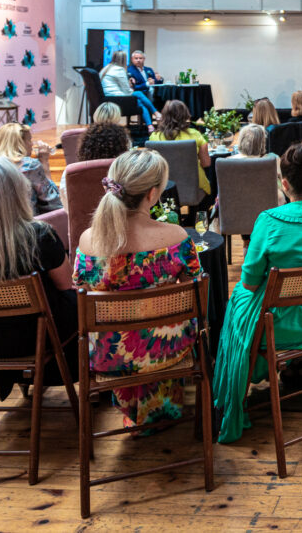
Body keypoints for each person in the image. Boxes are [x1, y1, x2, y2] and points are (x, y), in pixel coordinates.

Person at [214, 141, 302, 443]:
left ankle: (243, 379)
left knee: (237, 301)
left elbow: (251, 282)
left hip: (277, 326)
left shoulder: (269, 221)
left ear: (285, 182)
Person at [73, 149, 201, 430]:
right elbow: (196, 294)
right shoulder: (177, 238)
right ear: (153, 194)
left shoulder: (87, 242)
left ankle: (137, 409)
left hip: (109, 355)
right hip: (168, 351)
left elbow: (80, 291)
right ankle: (161, 408)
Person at [0, 155, 78, 400]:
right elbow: (67, 286)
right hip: (35, 339)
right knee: (77, 298)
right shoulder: (39, 235)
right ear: (16, 193)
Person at [0, 123, 61, 215]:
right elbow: (54, 203)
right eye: (29, 139)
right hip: (26, 226)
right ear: (20, 143)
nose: (32, 144)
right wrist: (44, 162)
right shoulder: (29, 166)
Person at [148, 100, 212, 198]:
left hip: (164, 187)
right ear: (185, 115)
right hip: (194, 185)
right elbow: (206, 163)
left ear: (164, 115)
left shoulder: (154, 137)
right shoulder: (194, 134)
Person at [59, 121, 132, 205]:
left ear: (85, 148)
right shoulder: (130, 173)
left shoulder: (72, 173)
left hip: (83, 218)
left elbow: (68, 208)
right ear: (123, 148)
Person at [100, 50, 157, 128]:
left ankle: (150, 125)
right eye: (136, 58)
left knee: (139, 99)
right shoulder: (119, 69)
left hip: (107, 97)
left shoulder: (106, 68)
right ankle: (155, 115)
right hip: (115, 99)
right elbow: (127, 91)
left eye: (140, 58)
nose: (138, 60)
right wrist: (131, 87)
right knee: (139, 94)